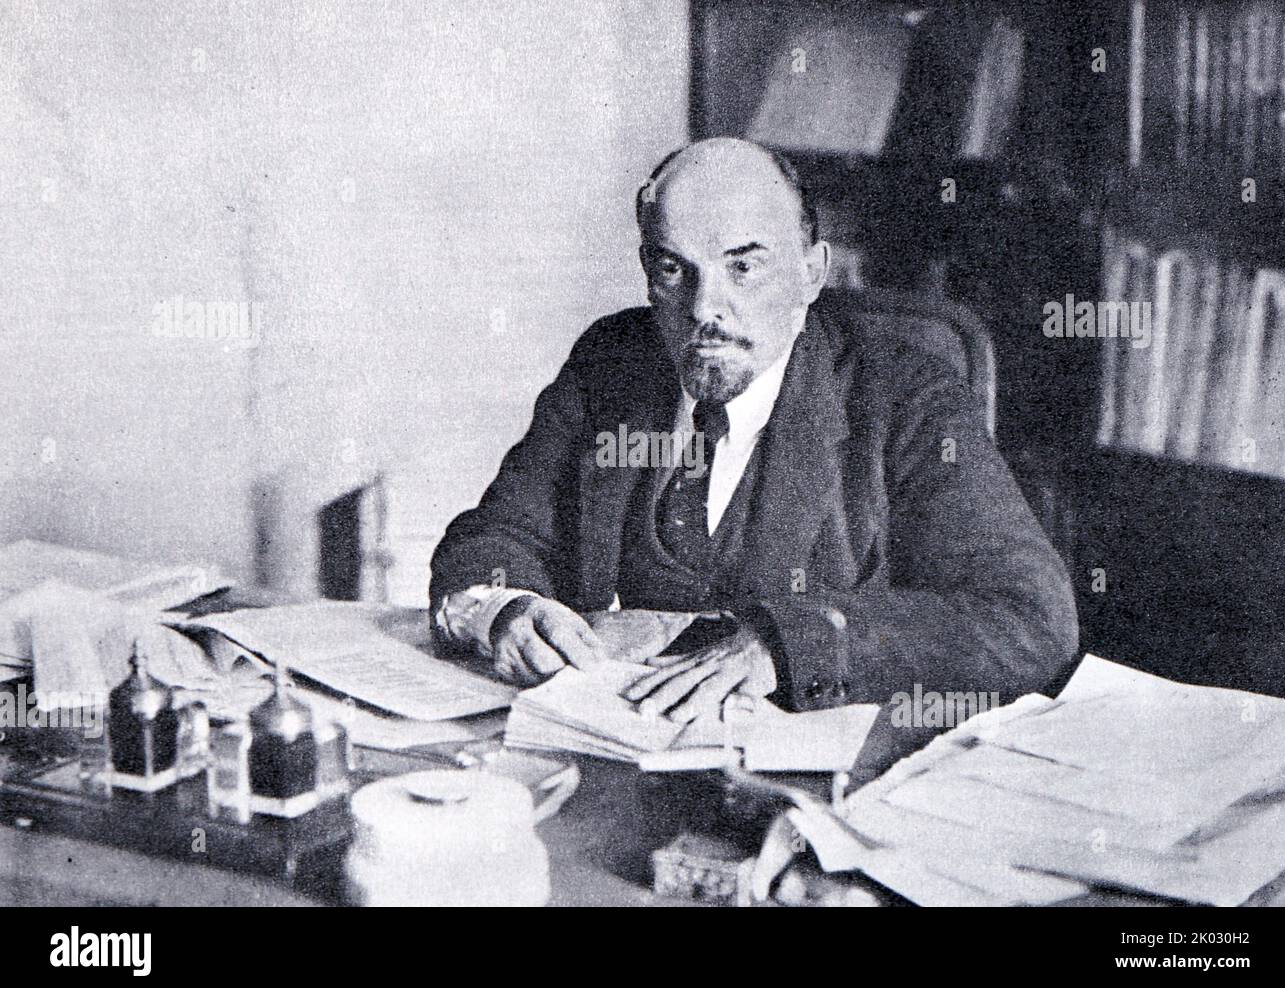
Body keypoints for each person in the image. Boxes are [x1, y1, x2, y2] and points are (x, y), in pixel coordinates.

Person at [429, 136, 1077, 725]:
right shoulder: (612, 363)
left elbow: (1030, 618)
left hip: (813, 787)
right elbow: (496, 536)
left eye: (744, 267)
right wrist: (506, 611)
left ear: (811, 272)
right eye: (674, 270)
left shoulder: (907, 395)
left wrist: (788, 644)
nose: (705, 308)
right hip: (614, 751)